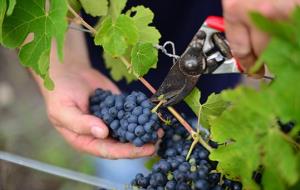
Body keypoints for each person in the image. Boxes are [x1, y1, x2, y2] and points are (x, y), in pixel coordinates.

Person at [31, 0, 300, 184]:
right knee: (122, 164)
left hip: (212, 45)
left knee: (212, 152)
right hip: (101, 76)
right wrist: (62, 63)